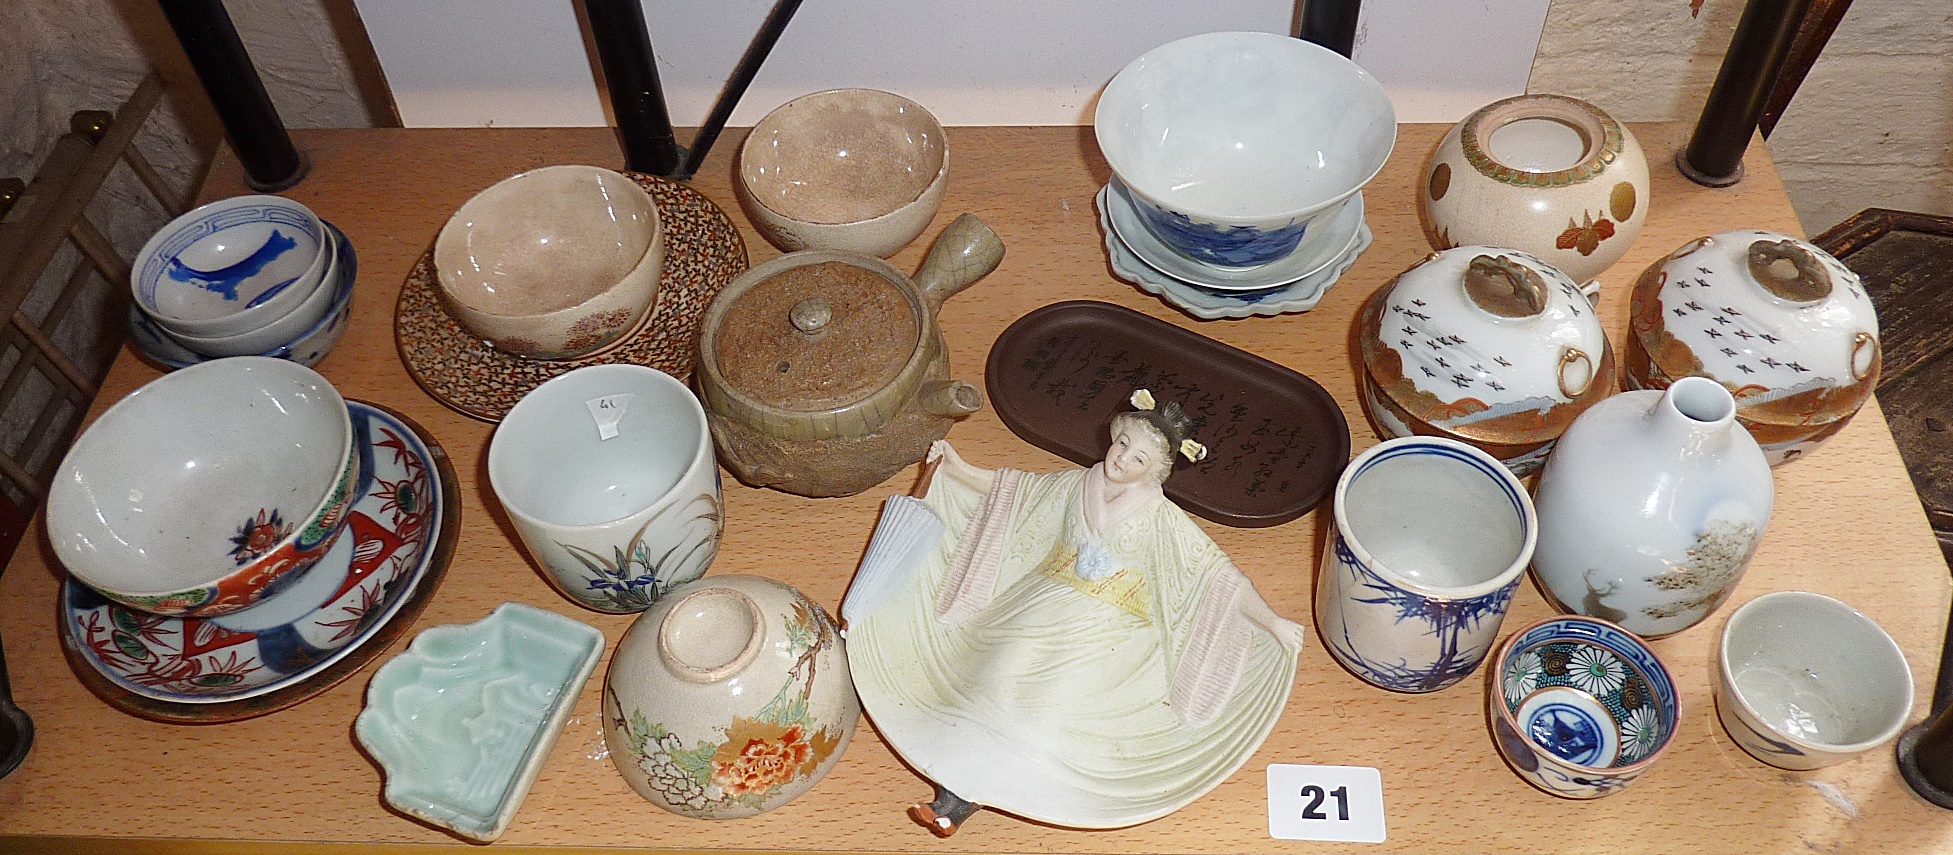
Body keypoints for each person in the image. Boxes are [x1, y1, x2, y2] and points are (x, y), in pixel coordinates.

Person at [847, 390, 1306, 835]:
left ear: (1153, 474)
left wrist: (1272, 621)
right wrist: (958, 467)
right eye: (1123, 444)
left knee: (1040, 714)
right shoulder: (1075, 484)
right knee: (993, 683)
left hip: (1102, 628)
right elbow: (1014, 492)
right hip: (1039, 602)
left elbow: (1216, 577)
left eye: (1138, 459)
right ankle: (951, 795)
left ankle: (959, 802)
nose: (1123, 459)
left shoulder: (1162, 519)